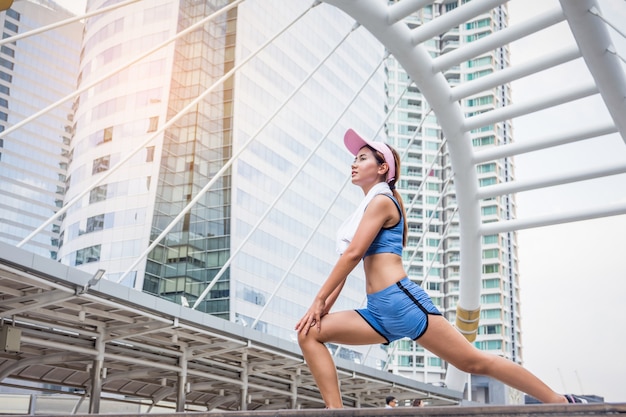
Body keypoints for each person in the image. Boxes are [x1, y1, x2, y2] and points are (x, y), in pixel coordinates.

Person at [295, 128, 586, 409]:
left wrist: (319, 300)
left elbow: (354, 255)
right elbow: (346, 262)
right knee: (309, 333)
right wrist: (321, 309)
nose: (353, 163)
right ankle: (335, 410)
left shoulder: (383, 202)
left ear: (383, 168)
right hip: (378, 313)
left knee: (473, 362)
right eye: (355, 158)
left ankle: (560, 401)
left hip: (402, 303)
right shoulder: (364, 210)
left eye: (362, 158)